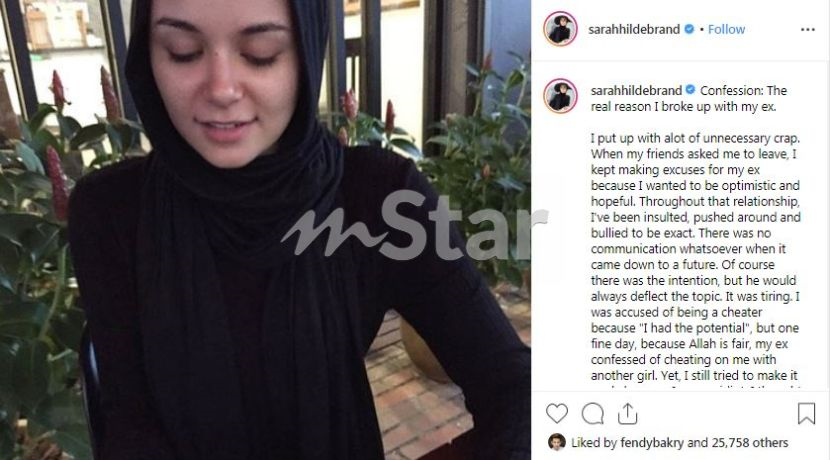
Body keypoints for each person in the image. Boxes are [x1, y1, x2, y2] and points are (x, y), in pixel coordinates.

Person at [67, 0, 530, 459]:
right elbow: (133, 426)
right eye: (183, 51)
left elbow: (514, 386)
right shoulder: (110, 210)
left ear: (306, 51)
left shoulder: (379, 197)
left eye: (261, 54)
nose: (222, 89)